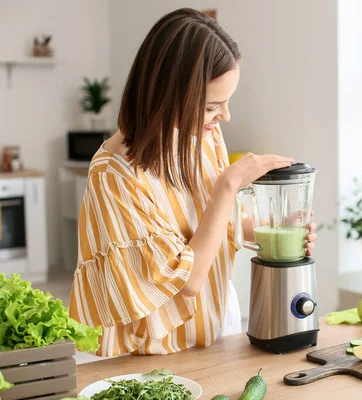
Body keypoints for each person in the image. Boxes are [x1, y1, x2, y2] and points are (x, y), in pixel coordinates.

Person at [69, 8, 317, 357]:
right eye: (212, 107)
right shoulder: (113, 176)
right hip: (151, 355)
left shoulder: (203, 137)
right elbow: (186, 279)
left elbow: (215, 226)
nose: (225, 117)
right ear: (167, 94)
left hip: (215, 331)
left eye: (227, 102)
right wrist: (228, 185)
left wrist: (274, 228)